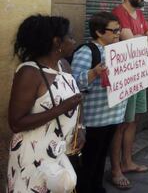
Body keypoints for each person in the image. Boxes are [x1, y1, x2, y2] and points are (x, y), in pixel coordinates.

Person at [7, 15, 82, 192]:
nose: (75, 41)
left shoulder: (64, 65)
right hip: (32, 156)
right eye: (70, 37)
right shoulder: (29, 73)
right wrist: (61, 109)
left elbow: (76, 100)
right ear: (57, 42)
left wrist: (81, 128)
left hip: (58, 151)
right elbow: (16, 123)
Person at [72, 12, 128, 191]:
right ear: (98, 32)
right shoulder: (87, 51)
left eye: (118, 30)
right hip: (93, 119)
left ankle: (97, 187)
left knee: (100, 157)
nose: (118, 33)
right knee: (89, 161)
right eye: (114, 30)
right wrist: (94, 72)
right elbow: (73, 82)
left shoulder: (116, 49)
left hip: (112, 116)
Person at [111, 0, 148, 188]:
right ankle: (116, 169)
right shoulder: (119, 13)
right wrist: (142, 37)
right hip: (125, 77)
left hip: (139, 75)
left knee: (133, 121)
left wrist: (140, 37)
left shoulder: (139, 14)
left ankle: (128, 162)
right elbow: (130, 40)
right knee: (121, 124)